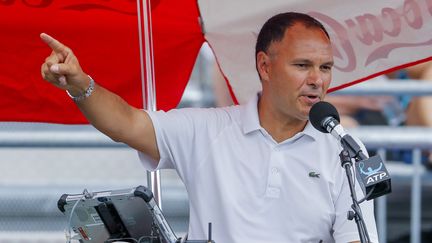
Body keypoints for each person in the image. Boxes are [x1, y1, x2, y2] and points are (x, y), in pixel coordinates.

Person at [40, 12, 378, 243]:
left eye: (326, 67)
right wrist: (80, 85)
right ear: (265, 65)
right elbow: (126, 124)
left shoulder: (345, 149)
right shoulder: (208, 129)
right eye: (302, 65)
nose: (317, 80)